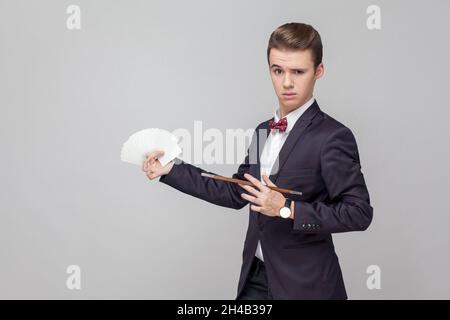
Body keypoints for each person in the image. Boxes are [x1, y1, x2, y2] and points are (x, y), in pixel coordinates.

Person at [142, 22, 373, 300]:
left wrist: (286, 209)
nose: (287, 82)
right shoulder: (263, 130)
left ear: (318, 72)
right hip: (256, 277)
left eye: (298, 71)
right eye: (278, 71)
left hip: (307, 286)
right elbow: (237, 191)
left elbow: (359, 212)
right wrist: (170, 169)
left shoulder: (333, 136)